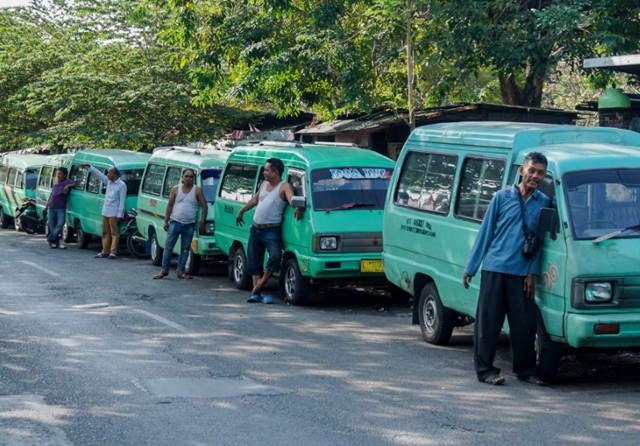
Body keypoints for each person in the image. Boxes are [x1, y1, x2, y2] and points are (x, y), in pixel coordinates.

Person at [462, 152, 550, 386]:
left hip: (522, 275)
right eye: (531, 170)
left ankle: (526, 371)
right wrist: (471, 267)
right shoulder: (501, 197)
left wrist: (531, 271)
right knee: (488, 324)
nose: (535, 176)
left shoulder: (543, 203)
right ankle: (485, 371)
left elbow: (539, 241)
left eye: (540, 172)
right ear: (522, 169)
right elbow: (485, 233)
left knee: (524, 325)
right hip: (494, 269)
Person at [236, 158, 303, 304]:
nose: (264, 172)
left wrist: (298, 206)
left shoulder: (284, 186)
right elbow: (255, 200)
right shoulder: (264, 184)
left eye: (267, 170)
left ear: (276, 172)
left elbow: (292, 200)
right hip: (256, 228)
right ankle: (256, 293)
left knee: (275, 256)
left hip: (271, 230)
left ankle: (259, 286)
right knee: (254, 260)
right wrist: (241, 211)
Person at [153, 168, 208, 280]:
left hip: (189, 224)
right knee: (168, 247)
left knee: (185, 249)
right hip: (175, 222)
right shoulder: (175, 189)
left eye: (191, 177)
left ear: (194, 178)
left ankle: (181, 271)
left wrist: (202, 221)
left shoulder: (197, 190)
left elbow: (204, 206)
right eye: (186, 176)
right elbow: (170, 206)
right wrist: (166, 221)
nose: (188, 178)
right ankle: (164, 270)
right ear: (182, 177)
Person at [80, 163, 127, 259]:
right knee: (105, 232)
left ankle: (113, 252)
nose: (107, 175)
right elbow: (99, 175)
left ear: (114, 174)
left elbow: (122, 201)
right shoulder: (108, 182)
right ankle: (105, 251)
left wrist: (119, 215)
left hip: (114, 212)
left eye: (109, 173)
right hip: (106, 211)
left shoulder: (122, 185)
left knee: (114, 233)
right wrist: (90, 167)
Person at [44, 167, 75, 249]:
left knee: (60, 224)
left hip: (60, 207)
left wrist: (68, 186)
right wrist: (46, 206)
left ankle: (50, 239)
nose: (58, 175)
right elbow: (51, 194)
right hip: (51, 206)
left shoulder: (67, 181)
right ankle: (55, 243)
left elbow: (75, 184)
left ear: (64, 175)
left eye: (60, 174)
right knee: (52, 226)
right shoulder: (55, 181)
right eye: (57, 174)